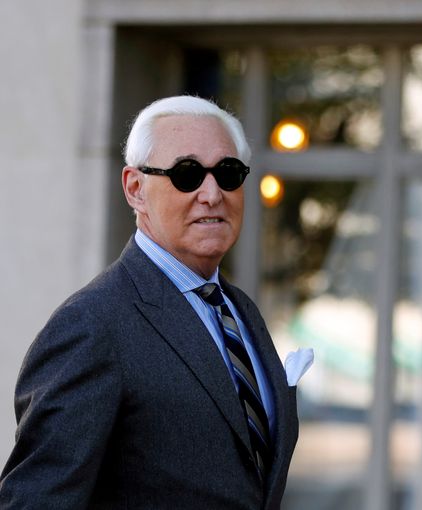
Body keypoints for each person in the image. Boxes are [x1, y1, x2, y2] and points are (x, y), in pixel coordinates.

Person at [0, 96, 310, 509]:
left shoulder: (240, 311)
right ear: (135, 189)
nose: (212, 193)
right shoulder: (91, 325)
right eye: (187, 174)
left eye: (229, 173)